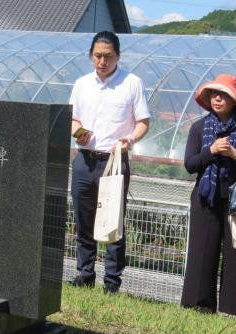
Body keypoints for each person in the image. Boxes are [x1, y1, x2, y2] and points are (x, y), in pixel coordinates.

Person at [68, 31, 150, 294]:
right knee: (83, 218)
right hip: (85, 159)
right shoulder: (82, 84)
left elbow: (143, 122)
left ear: (118, 56)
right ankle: (85, 273)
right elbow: (73, 119)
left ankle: (112, 282)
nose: (102, 61)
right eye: (97, 55)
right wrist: (79, 134)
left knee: (113, 221)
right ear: (90, 55)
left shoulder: (131, 82)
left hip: (114, 162)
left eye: (108, 56)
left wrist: (129, 140)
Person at [180, 74, 236, 325]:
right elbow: (190, 164)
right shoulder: (198, 128)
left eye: (224, 94)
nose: (217, 98)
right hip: (206, 198)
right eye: (214, 94)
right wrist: (212, 150)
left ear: (234, 99)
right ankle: (199, 305)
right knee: (202, 251)